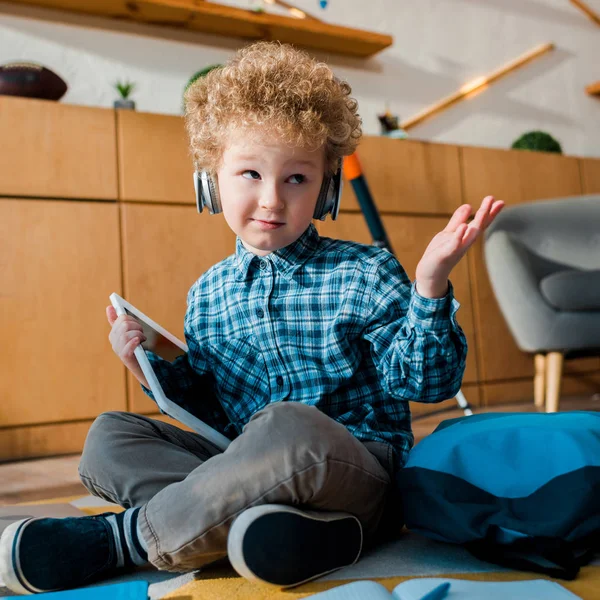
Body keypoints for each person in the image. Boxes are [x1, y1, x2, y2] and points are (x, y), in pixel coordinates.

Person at [0, 42, 503, 594]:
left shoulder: (364, 270)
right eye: (248, 173)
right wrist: (151, 369)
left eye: (296, 179)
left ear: (326, 188)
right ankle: (280, 530)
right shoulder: (207, 294)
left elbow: (428, 383)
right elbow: (213, 409)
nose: (271, 199)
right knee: (109, 437)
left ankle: (126, 541)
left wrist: (428, 288)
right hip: (245, 463)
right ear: (209, 180)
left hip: (358, 475)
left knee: (286, 425)